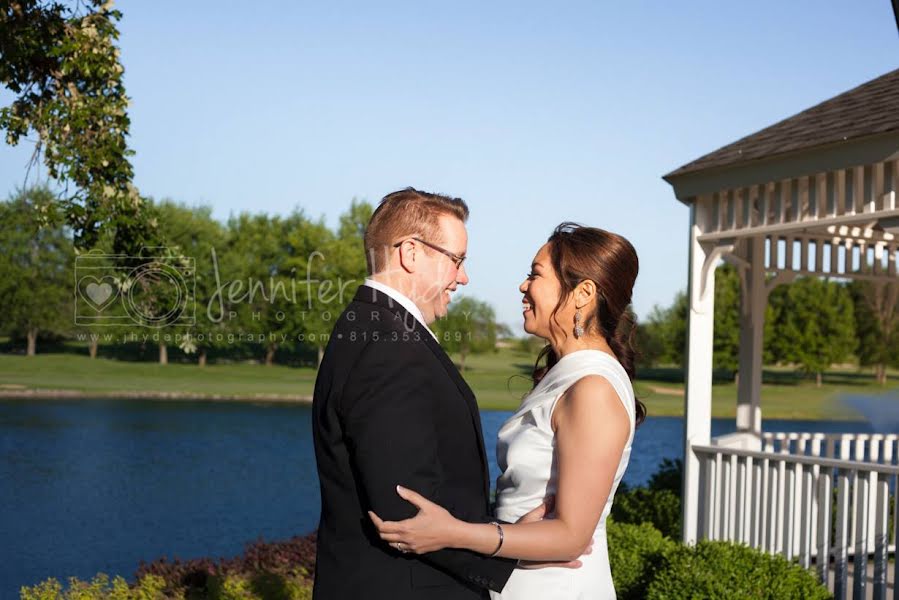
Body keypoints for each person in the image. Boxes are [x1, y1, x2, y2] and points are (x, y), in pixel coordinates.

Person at [311, 189, 584, 600]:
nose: (463, 277)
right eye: (456, 260)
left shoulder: (376, 327)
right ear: (410, 252)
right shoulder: (388, 345)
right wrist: (509, 549)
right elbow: (405, 510)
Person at [369, 222, 645, 599]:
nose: (523, 285)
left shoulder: (593, 388)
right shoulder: (567, 374)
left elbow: (571, 536)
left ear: (583, 293)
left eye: (535, 274)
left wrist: (454, 532)